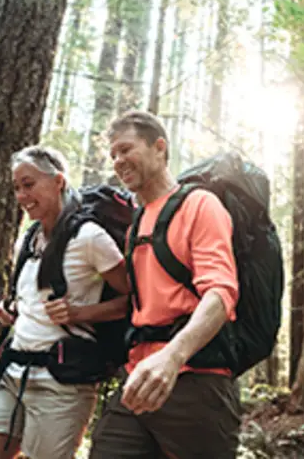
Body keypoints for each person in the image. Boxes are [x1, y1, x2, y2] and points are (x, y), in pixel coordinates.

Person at [89, 110, 242, 459]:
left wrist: (172, 357)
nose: (118, 161)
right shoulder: (136, 224)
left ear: (160, 148)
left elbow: (221, 292)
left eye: (126, 149)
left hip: (197, 379)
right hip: (138, 377)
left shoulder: (200, 205)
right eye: (113, 154)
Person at [0, 145, 129, 459]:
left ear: (58, 182)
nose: (22, 196)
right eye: (16, 188)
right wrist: (10, 310)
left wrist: (82, 312)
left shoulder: (90, 237)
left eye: (29, 185)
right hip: (11, 371)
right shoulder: (27, 239)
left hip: (62, 382)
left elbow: (134, 299)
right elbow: (30, 299)